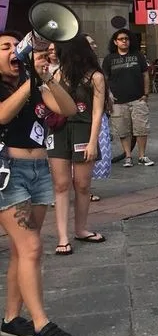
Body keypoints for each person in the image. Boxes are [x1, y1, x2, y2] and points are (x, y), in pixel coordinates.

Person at [0, 31, 80, 336]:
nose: (12, 51)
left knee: (22, 251)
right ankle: (41, 324)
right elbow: (3, 114)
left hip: (39, 171)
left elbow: (68, 108)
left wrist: (45, 77)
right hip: (8, 173)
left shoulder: (32, 82)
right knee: (32, 246)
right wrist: (30, 83)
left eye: (14, 46)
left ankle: (10, 318)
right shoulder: (17, 87)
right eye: (5, 47)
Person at [48, 36, 110, 256]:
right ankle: (62, 237)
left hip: (84, 130)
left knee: (82, 185)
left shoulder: (95, 77)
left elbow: (97, 112)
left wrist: (94, 141)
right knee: (61, 185)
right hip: (58, 131)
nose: (55, 53)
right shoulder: (55, 74)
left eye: (59, 49)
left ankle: (81, 228)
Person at [103, 29, 153, 168]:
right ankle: (128, 156)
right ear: (115, 42)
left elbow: (145, 75)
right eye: (121, 39)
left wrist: (146, 94)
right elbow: (105, 79)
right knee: (123, 129)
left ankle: (142, 155)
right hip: (118, 101)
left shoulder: (138, 56)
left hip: (138, 98)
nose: (124, 41)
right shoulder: (109, 59)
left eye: (126, 38)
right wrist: (108, 96)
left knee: (141, 128)